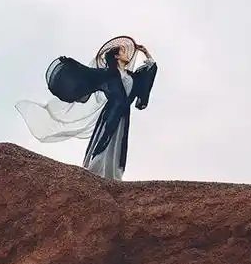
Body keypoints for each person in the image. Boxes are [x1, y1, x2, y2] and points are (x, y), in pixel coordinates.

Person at [16, 36, 158, 180]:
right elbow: (86, 73)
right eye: (123, 52)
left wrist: (146, 53)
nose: (128, 55)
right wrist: (68, 63)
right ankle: (97, 167)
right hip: (111, 112)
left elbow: (149, 71)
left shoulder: (132, 77)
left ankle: (112, 172)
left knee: (119, 142)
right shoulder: (108, 74)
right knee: (106, 137)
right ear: (116, 56)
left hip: (123, 114)